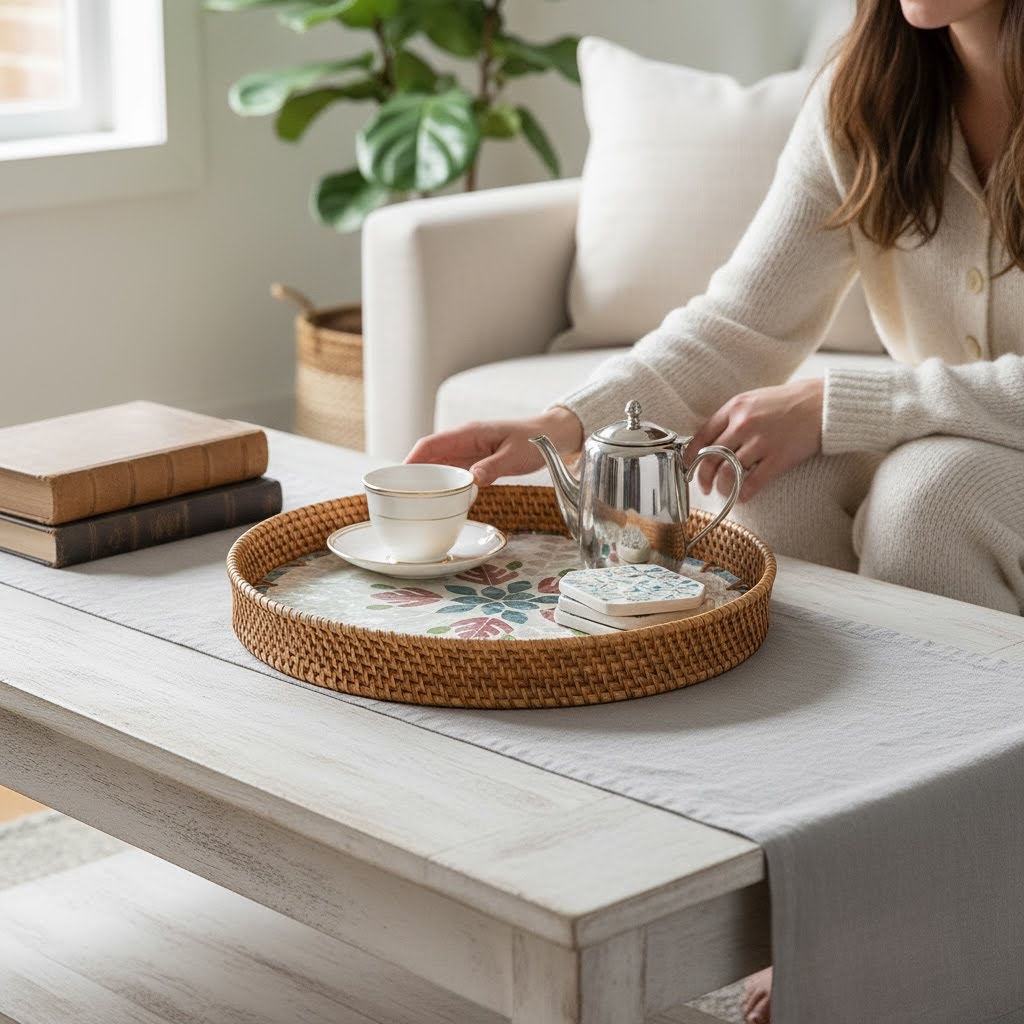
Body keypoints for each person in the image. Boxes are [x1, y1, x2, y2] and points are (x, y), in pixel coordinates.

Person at [409, 0, 1023, 1019]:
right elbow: (741, 323)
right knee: (758, 486)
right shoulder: (866, 89)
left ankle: (962, 911)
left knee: (930, 498)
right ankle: (828, 899)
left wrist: (846, 402)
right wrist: (560, 427)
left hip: (962, 467)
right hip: (962, 442)